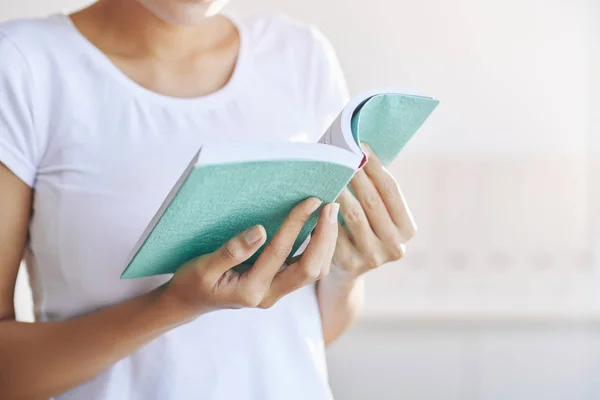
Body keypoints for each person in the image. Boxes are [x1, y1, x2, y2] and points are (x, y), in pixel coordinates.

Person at [0, 0, 417, 399]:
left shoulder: (299, 55)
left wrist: (346, 273)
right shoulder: (23, 65)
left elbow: (297, 335)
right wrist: (171, 306)